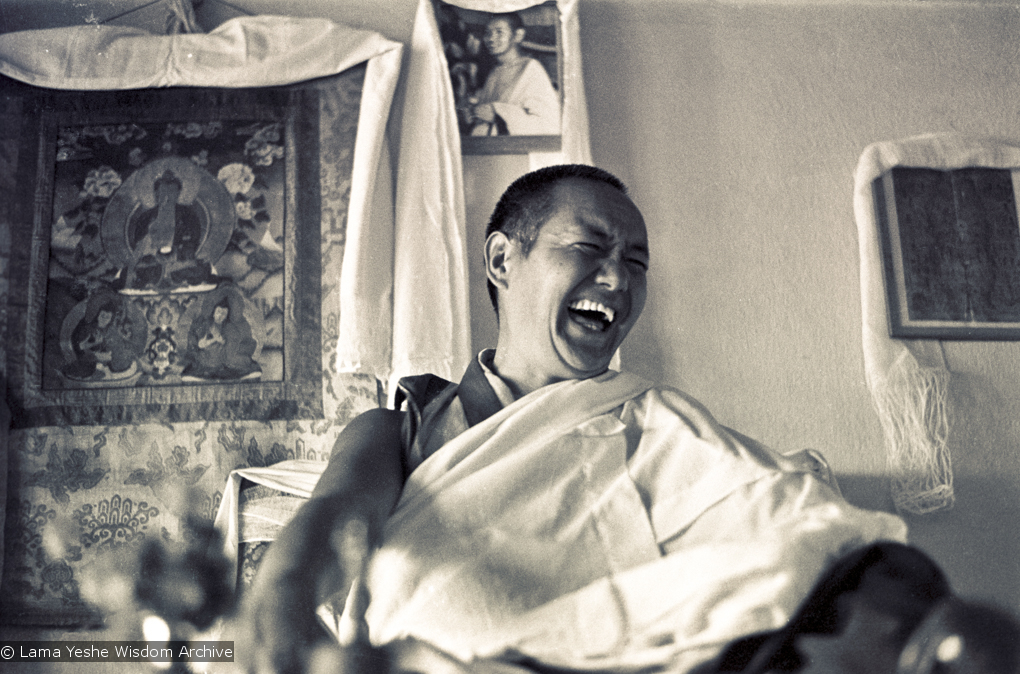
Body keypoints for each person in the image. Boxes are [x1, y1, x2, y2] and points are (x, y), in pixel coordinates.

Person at [238, 165, 907, 674]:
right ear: (503, 260)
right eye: (590, 248)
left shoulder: (655, 421)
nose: (618, 281)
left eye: (636, 263)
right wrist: (283, 608)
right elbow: (331, 527)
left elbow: (793, 518)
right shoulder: (408, 424)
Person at [465, 12, 561, 137]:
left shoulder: (531, 68)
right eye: (488, 33)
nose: (491, 38)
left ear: (518, 35)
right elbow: (486, 117)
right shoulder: (494, 73)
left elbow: (549, 124)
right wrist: (474, 115)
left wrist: (498, 114)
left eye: (499, 32)